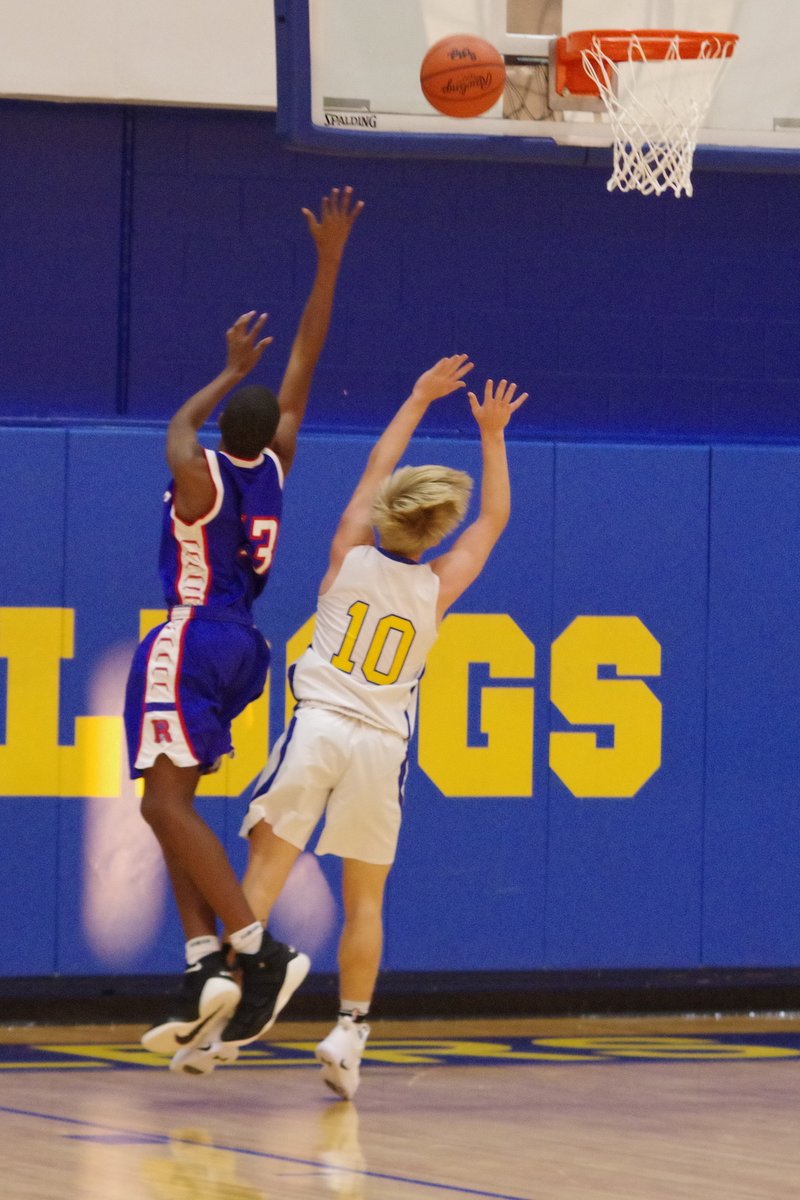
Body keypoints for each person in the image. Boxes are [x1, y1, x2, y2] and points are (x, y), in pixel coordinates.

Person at [180, 353, 527, 1089]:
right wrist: (492, 435)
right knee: (365, 900)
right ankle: (349, 1034)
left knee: (262, 877)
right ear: (435, 531)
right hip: (381, 746)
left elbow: (378, 464)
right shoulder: (438, 584)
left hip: (319, 729)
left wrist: (418, 396)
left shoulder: (348, 552)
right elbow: (494, 518)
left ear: (385, 515)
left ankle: (227, 1025)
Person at [123, 186, 363, 1064]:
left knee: (164, 803)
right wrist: (329, 263)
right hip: (243, 646)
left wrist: (226, 369)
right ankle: (203, 970)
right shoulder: (277, 463)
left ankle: (258, 950)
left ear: (228, 424)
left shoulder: (201, 472)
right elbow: (305, 357)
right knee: (166, 805)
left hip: (189, 636)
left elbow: (177, 425)